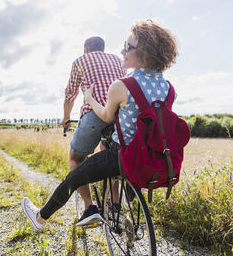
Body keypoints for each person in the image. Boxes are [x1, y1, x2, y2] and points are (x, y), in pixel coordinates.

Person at [22, 20, 178, 230]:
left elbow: (105, 116)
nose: (122, 51)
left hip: (122, 155)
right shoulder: (169, 88)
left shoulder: (123, 85)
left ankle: (41, 217)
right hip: (152, 156)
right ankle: (115, 205)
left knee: (73, 175)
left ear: (143, 52)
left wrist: (89, 98)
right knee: (107, 154)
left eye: (127, 46)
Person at [62, 36, 126, 225]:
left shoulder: (81, 61)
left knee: (76, 159)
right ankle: (115, 205)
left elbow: (70, 94)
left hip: (94, 115)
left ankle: (90, 208)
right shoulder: (117, 60)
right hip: (120, 116)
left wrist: (66, 118)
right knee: (111, 158)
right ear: (103, 48)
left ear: (86, 49)